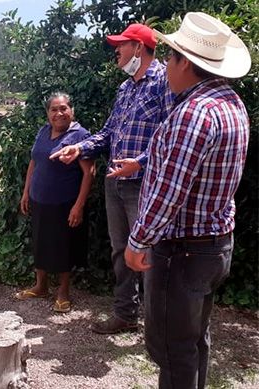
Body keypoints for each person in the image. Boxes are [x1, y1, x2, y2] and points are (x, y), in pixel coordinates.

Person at [125, 12, 251, 388]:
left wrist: (138, 241)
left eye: (172, 57)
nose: (165, 68)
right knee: (195, 338)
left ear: (185, 63)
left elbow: (169, 190)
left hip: (182, 250)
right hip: (213, 245)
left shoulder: (193, 114)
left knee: (171, 348)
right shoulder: (231, 104)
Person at [50, 23, 173, 333]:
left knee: (149, 253)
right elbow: (108, 133)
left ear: (140, 48)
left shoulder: (164, 83)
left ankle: (159, 325)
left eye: (122, 45)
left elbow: (171, 137)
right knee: (121, 251)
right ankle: (126, 315)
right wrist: (79, 147)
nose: (116, 51)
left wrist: (141, 163)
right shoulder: (125, 88)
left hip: (144, 183)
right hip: (114, 182)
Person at [15, 92, 94, 313]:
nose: (59, 113)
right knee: (40, 243)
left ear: (72, 111)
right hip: (39, 200)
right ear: (48, 113)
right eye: (54, 109)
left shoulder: (81, 136)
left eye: (63, 108)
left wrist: (78, 206)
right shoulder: (43, 132)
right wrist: (26, 192)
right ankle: (41, 286)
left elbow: (90, 173)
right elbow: (34, 162)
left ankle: (63, 292)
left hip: (65, 203)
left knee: (63, 248)